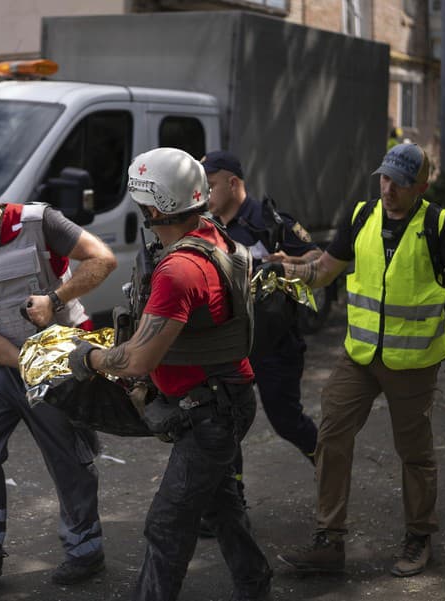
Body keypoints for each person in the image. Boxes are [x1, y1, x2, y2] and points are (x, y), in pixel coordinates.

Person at [272, 143, 445, 577]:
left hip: (412, 362)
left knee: (414, 452)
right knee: (331, 434)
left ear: (420, 186)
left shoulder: (441, 225)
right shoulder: (362, 216)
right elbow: (327, 270)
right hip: (360, 356)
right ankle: (329, 541)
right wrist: (289, 270)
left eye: (400, 183)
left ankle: (419, 536)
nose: (389, 189)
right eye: (384, 179)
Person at [68, 147, 273, 601]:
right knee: (220, 506)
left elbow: (138, 360)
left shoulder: (179, 269)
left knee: (168, 523)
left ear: (156, 207)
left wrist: (88, 358)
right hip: (222, 397)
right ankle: (255, 584)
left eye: (141, 202)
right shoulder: (213, 235)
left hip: (211, 411)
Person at [0, 161, 117, 587]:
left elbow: (102, 259)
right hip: (10, 366)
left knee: (68, 457)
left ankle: (86, 551)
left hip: (63, 361)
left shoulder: (41, 222)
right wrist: (25, 363)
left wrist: (55, 297)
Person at [201, 150, 321, 515]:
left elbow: (320, 259)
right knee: (225, 423)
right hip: (230, 347)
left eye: (211, 185)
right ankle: (230, 503)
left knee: (286, 420)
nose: (205, 194)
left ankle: (331, 467)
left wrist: (291, 262)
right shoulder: (206, 227)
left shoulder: (271, 222)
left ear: (233, 183)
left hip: (275, 345)